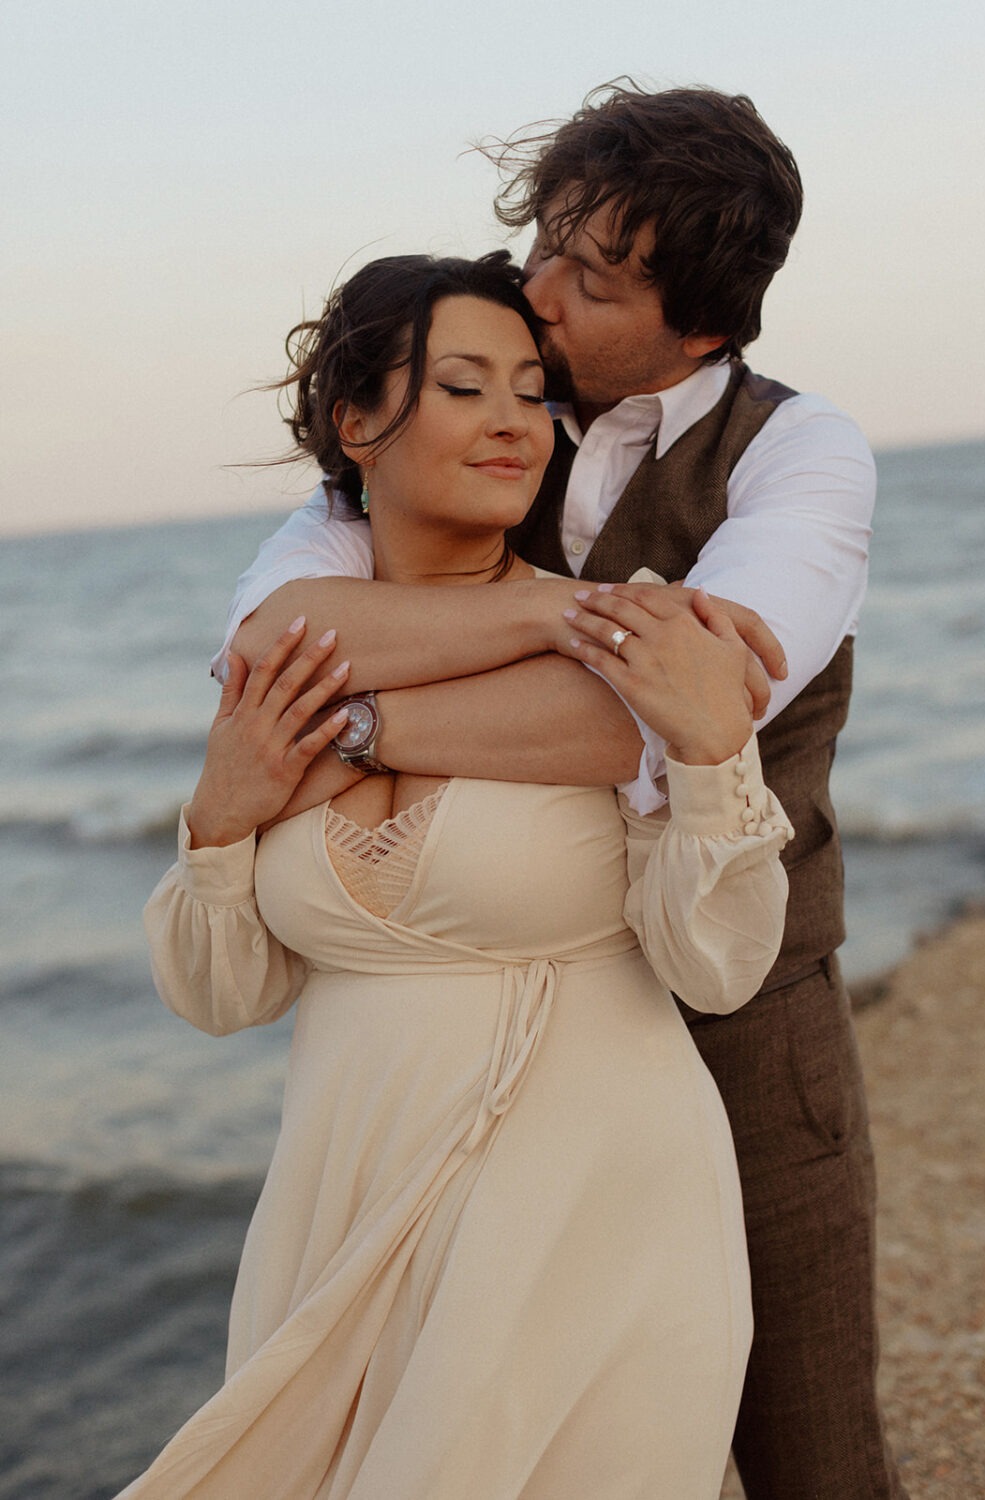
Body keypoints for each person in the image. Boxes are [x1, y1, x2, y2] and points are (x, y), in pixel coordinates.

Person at [218, 85, 906, 1500]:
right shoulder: (453, 412)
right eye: (540, 245)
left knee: (816, 1459)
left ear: (702, 319)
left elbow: (676, 719)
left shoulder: (801, 454)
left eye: (587, 280)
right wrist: (565, 633)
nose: (533, 297)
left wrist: (355, 721)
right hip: (491, 1025)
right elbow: (262, 647)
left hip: (740, 1009)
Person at [119, 252, 792, 1498]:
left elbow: (720, 959)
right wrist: (218, 824)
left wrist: (703, 756)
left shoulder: (629, 645)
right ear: (357, 423)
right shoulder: (291, 654)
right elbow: (223, 996)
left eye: (532, 391)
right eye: (464, 386)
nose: (511, 423)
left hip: (594, 1201)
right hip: (343, 1201)